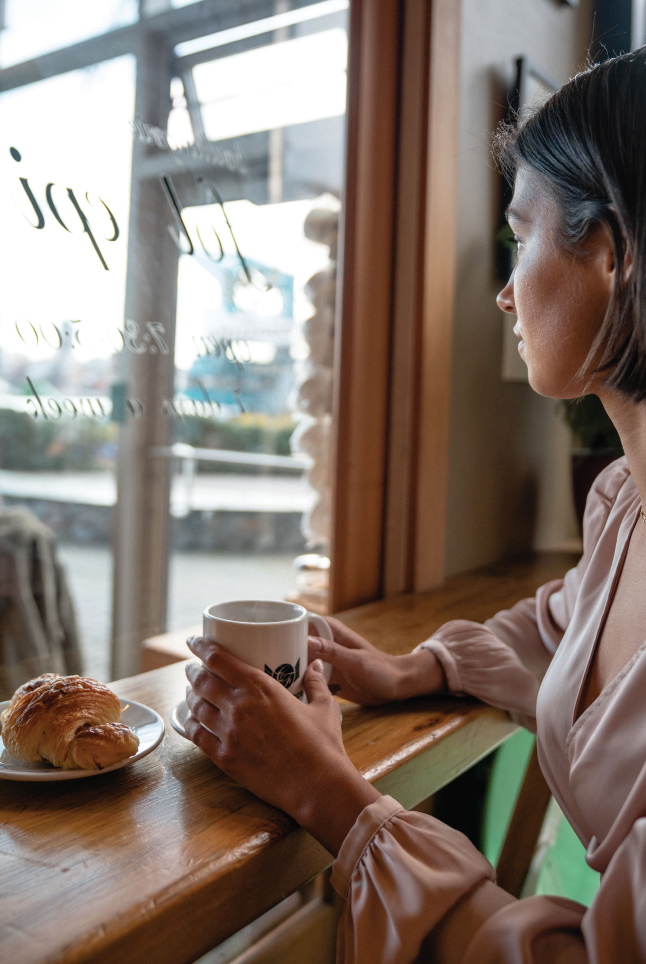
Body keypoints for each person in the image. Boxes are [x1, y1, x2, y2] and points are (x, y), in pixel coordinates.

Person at [184, 47, 646, 963]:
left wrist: (334, 796)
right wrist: (415, 669)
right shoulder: (623, 504)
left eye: (524, 236)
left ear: (611, 251)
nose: (505, 292)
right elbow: (569, 634)